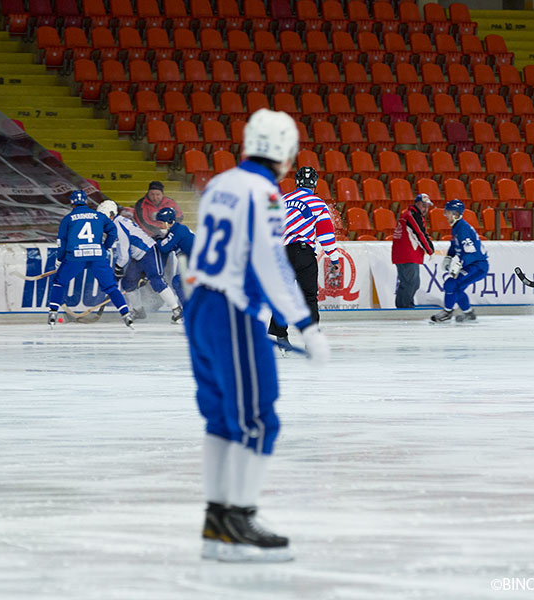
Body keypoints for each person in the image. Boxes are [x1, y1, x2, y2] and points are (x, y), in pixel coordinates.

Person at [184, 108, 330, 563]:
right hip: (232, 312)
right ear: (285, 153)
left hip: (201, 308)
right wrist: (305, 323)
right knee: (260, 420)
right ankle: (237, 521)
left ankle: (217, 521)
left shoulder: (219, 185)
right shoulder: (266, 194)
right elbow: (272, 265)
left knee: (221, 420)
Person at [266, 166, 340, 351]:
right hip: (304, 253)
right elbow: (325, 235)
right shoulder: (318, 204)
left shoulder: (283, 200)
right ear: (314, 183)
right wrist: (334, 258)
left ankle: (280, 335)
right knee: (308, 297)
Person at [47, 190, 133, 328]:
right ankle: (126, 314)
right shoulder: (99, 216)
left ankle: (53, 313)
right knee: (111, 287)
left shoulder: (68, 218)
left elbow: (61, 242)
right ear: (86, 201)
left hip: (75, 257)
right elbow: (112, 231)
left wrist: (59, 260)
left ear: (72, 203)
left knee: (59, 282)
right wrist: (106, 246)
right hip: (97, 256)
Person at [98, 201, 183, 323]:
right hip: (139, 256)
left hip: (149, 252)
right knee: (128, 283)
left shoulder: (117, 225)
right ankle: (138, 311)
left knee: (156, 280)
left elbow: (124, 252)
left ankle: (177, 310)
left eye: (103, 216)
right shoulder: (118, 222)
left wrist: (118, 269)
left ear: (111, 214)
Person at [430, 199, 489, 323]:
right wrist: (449, 257)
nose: (446, 215)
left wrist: (458, 265)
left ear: (457, 214)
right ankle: (468, 313)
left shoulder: (462, 229)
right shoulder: (457, 226)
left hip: (477, 266)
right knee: (456, 287)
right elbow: (454, 244)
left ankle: (447, 312)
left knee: (451, 284)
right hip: (473, 264)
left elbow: (471, 251)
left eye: (449, 212)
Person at [391, 193, 435, 308]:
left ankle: (403, 306)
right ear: (417, 204)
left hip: (404, 254)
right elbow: (420, 233)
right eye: (423, 205)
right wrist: (430, 249)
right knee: (411, 283)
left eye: (427, 206)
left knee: (409, 283)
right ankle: (405, 307)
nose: (425, 209)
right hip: (407, 255)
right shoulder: (413, 215)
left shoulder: (408, 214)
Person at [155, 206, 195, 305]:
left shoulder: (178, 230)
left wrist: (158, 240)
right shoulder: (177, 230)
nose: (159, 226)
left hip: (200, 263)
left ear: (169, 222)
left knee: (178, 282)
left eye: (161, 223)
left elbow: (164, 248)